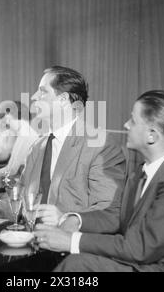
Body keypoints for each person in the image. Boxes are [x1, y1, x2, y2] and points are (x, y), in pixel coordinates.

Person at [35, 90, 164, 272]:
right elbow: (119, 216)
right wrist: (75, 221)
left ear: (152, 135)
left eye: (132, 121)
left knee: (77, 265)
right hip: (156, 257)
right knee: (77, 259)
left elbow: (141, 248)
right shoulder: (144, 170)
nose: (126, 125)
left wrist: (71, 241)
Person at [20, 66, 125, 225]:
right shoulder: (37, 146)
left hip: (70, 243)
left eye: (42, 91)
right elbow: (20, 195)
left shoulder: (100, 145)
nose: (34, 97)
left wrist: (65, 219)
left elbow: (108, 210)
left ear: (62, 100)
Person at [0, 100, 39, 177]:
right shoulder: (23, 132)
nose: (6, 122)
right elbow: (11, 166)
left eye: (7, 117)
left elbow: (11, 170)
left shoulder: (25, 135)